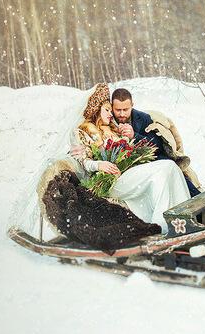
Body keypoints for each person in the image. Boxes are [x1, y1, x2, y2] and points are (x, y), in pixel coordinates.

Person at [71, 84, 192, 229]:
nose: (114, 114)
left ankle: (182, 218)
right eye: (109, 110)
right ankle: (164, 225)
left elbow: (154, 145)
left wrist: (133, 137)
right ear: (97, 110)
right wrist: (99, 164)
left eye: (124, 110)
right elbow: (83, 160)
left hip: (127, 172)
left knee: (170, 167)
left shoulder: (114, 127)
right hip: (111, 179)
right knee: (166, 168)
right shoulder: (83, 132)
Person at [110, 87, 201, 197]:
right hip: (126, 168)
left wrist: (134, 136)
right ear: (112, 106)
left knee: (174, 171)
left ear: (132, 105)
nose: (122, 114)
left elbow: (157, 145)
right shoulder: (107, 120)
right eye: (118, 110)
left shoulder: (143, 118)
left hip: (149, 160)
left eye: (125, 109)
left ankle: (203, 202)